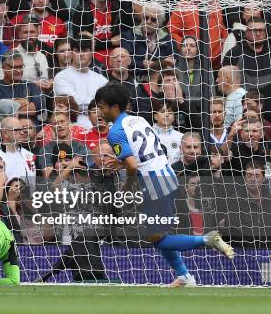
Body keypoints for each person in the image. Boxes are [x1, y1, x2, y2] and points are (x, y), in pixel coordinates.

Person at [95, 83, 234, 287]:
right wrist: (121, 161)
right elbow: (146, 150)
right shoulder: (139, 120)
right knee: (160, 234)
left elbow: (132, 167)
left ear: (114, 107)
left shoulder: (114, 132)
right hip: (167, 174)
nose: (100, 111)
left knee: (157, 238)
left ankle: (206, 240)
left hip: (153, 183)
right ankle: (184, 276)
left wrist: (125, 189)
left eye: (102, 106)